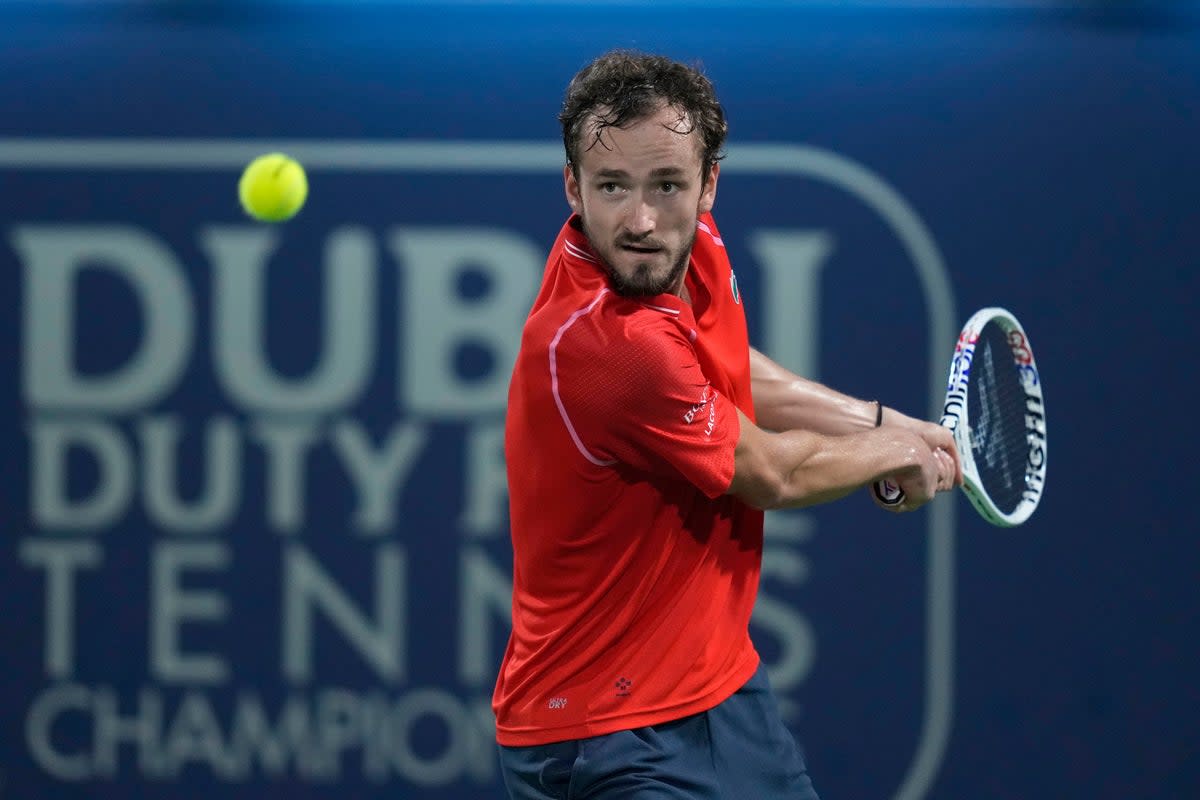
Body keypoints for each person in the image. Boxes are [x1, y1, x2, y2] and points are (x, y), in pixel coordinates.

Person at [492, 49, 962, 799]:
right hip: (605, 734)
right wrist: (890, 451)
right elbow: (770, 474)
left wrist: (878, 419)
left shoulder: (694, 251)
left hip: (721, 689)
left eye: (667, 186)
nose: (641, 221)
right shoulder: (611, 343)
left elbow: (727, 363)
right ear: (572, 186)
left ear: (709, 184)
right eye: (611, 188)